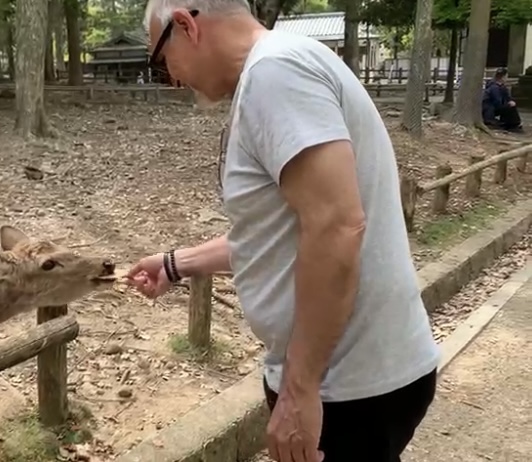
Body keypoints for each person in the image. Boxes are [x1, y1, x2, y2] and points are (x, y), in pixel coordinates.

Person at [126, 1, 441, 461]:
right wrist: (177, 264)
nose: (170, 77)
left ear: (185, 25)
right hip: (353, 377)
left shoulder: (276, 75)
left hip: (347, 385)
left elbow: (336, 226)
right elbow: (282, 233)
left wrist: (299, 389)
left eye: (160, 61)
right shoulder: (283, 65)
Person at [482, 67, 524, 132]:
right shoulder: (494, 87)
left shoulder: (502, 87)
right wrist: (507, 104)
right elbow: (497, 102)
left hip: (496, 106)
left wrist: (510, 101)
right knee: (509, 107)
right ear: (503, 77)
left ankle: (512, 123)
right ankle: (513, 124)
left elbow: (507, 97)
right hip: (490, 110)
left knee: (511, 105)